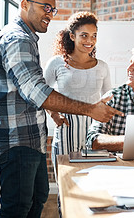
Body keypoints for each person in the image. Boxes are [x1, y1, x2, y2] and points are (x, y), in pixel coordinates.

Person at [0, 0, 122, 218]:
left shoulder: (27, 38)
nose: (50, 14)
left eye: (53, 9)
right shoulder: (17, 39)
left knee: (37, 199)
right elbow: (38, 91)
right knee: (17, 208)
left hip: (30, 139)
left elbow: (36, 92)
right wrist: (89, 110)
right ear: (25, 4)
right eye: (45, 7)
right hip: (15, 139)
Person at [44, 11, 111, 179]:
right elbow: (42, 93)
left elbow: (109, 98)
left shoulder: (102, 66)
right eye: (84, 35)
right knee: (67, 181)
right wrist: (54, 114)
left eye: (94, 36)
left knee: (94, 180)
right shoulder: (57, 63)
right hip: (66, 129)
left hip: (94, 131)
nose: (90, 41)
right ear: (72, 36)